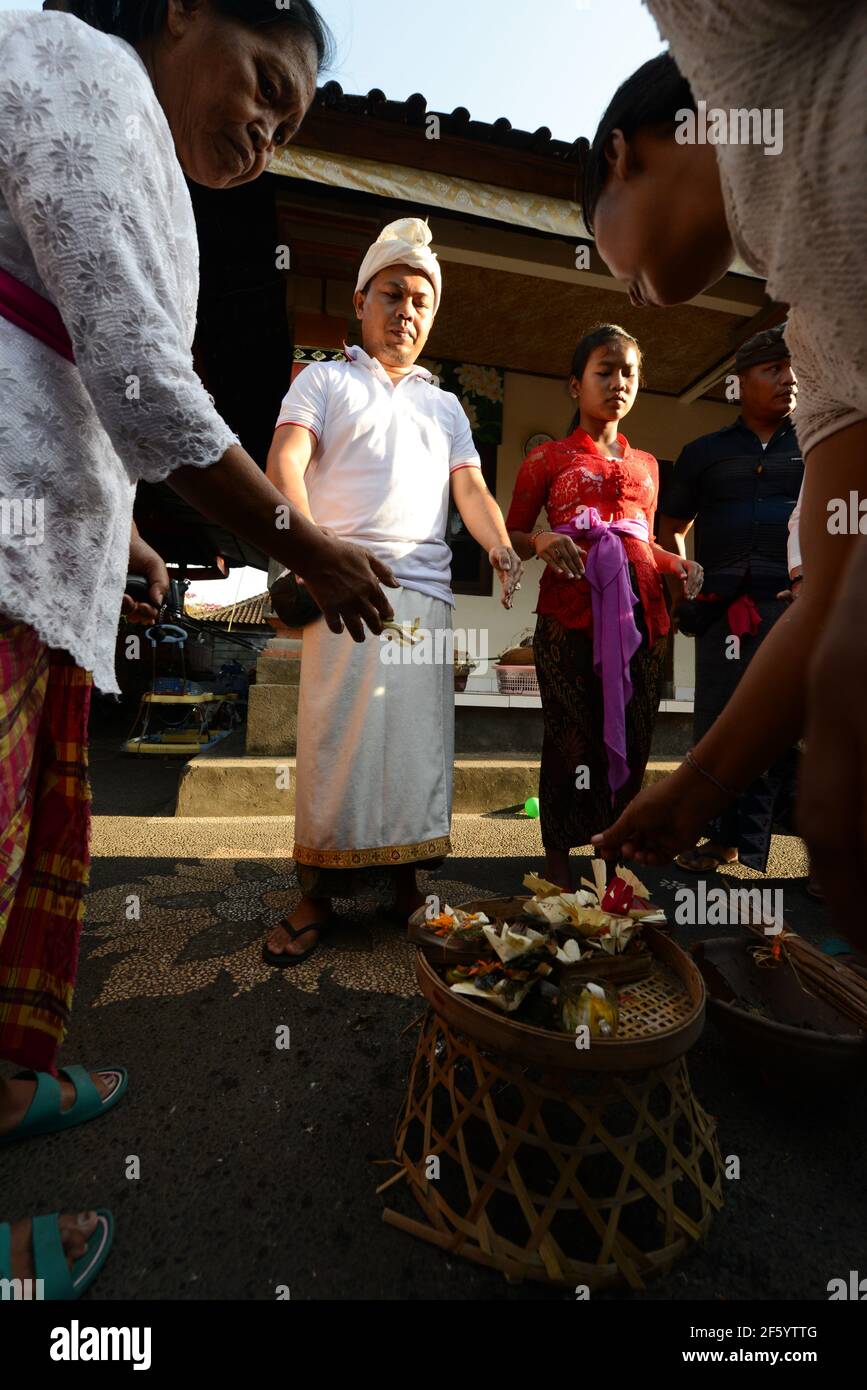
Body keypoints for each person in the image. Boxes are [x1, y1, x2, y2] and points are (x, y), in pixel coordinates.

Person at [0, 0, 396, 1299]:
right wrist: (310, 550)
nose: (273, 127)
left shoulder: (130, 134)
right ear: (179, 11)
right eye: (269, 80)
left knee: (18, 858)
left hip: (39, 564)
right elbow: (139, 378)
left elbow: (81, 378)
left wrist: (120, 542)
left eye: (294, 118)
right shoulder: (83, 65)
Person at [581, 21, 867, 950]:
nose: (626, 291)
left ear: (622, 156)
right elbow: (826, 596)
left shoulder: (747, 49)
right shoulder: (819, 345)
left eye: (603, 249)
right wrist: (693, 787)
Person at [261, 218, 522, 965]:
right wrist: (310, 553)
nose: (406, 310)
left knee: (413, 745)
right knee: (335, 739)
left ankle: (407, 883)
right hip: (342, 588)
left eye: (420, 300)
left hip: (422, 599)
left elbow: (468, 487)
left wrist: (499, 544)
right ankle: (315, 891)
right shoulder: (323, 379)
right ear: (359, 301)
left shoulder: (444, 406)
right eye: (392, 294)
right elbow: (287, 458)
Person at [505, 324, 701, 890]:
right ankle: (560, 861)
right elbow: (511, 533)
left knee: (635, 737)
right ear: (575, 385)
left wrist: (679, 566)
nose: (618, 382)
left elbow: (644, 543)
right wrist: (541, 541)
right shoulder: (546, 458)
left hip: (641, 619)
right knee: (570, 736)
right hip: (569, 617)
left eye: (628, 373)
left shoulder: (648, 466)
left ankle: (614, 855)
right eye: (604, 371)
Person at [658, 324, 804, 878]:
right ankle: (720, 840)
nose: (787, 379)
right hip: (722, 616)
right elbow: (671, 529)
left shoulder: (814, 447)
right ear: (740, 382)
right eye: (772, 368)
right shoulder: (704, 454)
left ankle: (819, 854)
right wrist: (685, 595)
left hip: (793, 613)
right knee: (718, 727)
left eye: (792, 368)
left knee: (788, 730)